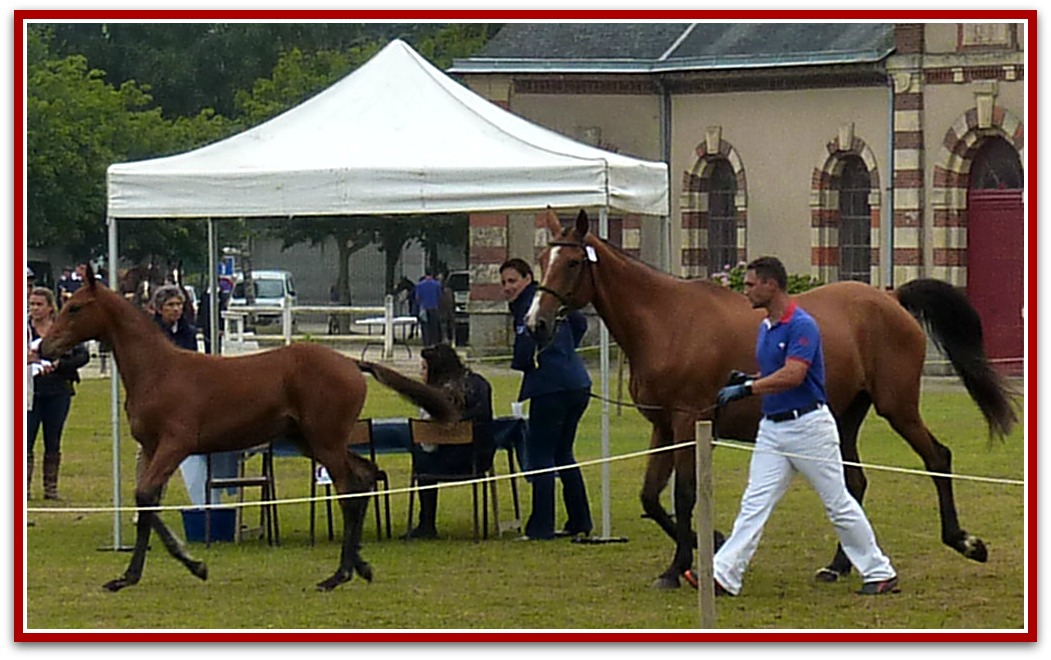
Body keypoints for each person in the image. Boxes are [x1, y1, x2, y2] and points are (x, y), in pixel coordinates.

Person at [685, 256, 899, 597]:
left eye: (751, 285)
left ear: (771, 285)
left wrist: (749, 389)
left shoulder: (802, 325)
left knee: (838, 504)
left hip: (808, 428)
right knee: (754, 504)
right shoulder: (766, 328)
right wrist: (749, 378)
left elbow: (794, 374)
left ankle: (879, 571)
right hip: (773, 429)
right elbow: (775, 371)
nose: (745, 291)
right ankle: (723, 575)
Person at [500, 257, 593, 541]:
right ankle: (579, 520)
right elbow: (579, 321)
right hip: (578, 383)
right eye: (504, 283)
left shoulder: (530, 304)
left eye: (512, 281)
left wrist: (528, 361)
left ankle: (541, 526)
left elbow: (524, 349)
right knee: (563, 453)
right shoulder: (550, 297)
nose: (507, 287)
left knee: (541, 455)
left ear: (528, 278)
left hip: (550, 387)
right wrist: (567, 350)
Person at [404, 343, 495, 539]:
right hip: (478, 460)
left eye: (424, 368)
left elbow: (428, 442)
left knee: (420, 452)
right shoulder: (480, 385)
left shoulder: (434, 397)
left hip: (440, 464)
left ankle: (426, 522)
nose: (420, 373)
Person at [27, 287, 89, 500]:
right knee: (26, 439)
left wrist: (60, 364)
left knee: (53, 439)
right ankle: (24, 487)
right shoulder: (23, 328)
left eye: (39, 304)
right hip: (30, 391)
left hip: (58, 390)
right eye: (32, 304)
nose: (34, 308)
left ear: (50, 307)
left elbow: (82, 356)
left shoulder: (62, 328)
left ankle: (50, 488)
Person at [150, 285, 198, 351]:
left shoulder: (191, 334)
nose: (176, 309)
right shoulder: (150, 333)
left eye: (179, 304)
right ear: (159, 309)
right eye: (170, 304)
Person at [414, 270, 442, 347]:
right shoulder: (437, 285)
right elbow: (439, 296)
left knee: (425, 327)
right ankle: (433, 343)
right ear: (432, 274)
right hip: (434, 308)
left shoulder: (420, 285)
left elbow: (417, 298)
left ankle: (426, 344)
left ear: (425, 274)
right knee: (434, 327)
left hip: (424, 308)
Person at [437, 271, 456, 345]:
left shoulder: (448, 291)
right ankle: (445, 338)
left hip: (448, 309)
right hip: (442, 310)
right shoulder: (438, 290)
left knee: (451, 324)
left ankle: (453, 339)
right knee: (443, 324)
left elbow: (452, 301)